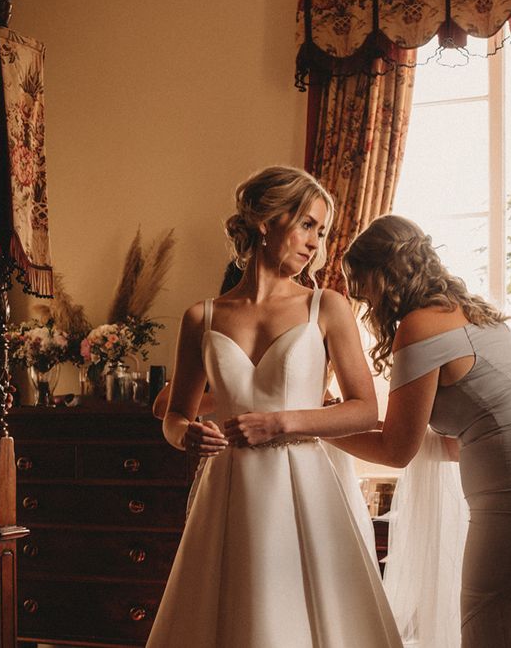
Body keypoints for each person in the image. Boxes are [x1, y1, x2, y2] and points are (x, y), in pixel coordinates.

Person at [266, 214, 511, 648]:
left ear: (385, 275)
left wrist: (314, 423)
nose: (364, 301)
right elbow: (450, 440)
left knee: (487, 622)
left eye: (363, 286)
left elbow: (396, 450)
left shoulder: (419, 327)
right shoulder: (469, 313)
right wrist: (336, 418)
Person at [147, 167, 402, 648]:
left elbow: (365, 409)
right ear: (266, 221)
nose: (316, 244)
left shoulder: (326, 307)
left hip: (304, 485)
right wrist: (187, 435)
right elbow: (174, 415)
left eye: (321, 232)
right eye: (307, 225)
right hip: (230, 487)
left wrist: (281, 422)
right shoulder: (202, 316)